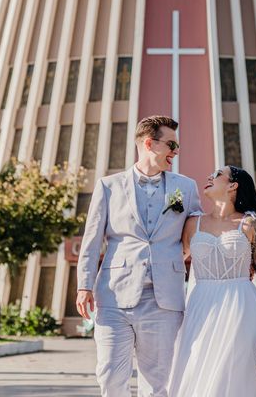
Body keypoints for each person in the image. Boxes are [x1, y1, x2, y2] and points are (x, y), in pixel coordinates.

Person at [76, 115, 202, 397]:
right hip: (113, 297)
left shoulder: (186, 187)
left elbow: (198, 231)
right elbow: (92, 240)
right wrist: (84, 286)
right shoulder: (108, 186)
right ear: (149, 143)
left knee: (158, 384)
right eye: (171, 144)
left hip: (165, 300)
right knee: (109, 376)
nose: (176, 151)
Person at [168, 165, 256, 397]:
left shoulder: (250, 225)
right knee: (197, 368)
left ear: (233, 186)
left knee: (234, 372)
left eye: (217, 174)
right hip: (201, 307)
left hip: (242, 306)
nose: (209, 177)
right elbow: (172, 261)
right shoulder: (193, 224)